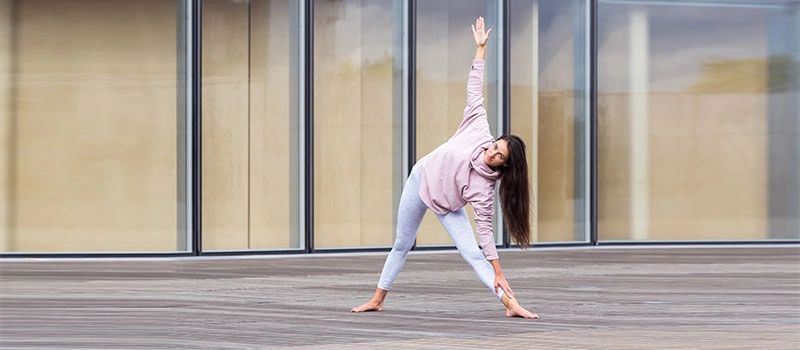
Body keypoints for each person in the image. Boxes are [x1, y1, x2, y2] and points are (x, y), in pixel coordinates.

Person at [350, 17, 538, 319]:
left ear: (505, 166)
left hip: (447, 207)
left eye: (499, 156)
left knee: (472, 253)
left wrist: (498, 271)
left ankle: (510, 304)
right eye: (495, 147)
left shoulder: (483, 189)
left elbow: (485, 232)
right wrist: (480, 50)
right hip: (420, 180)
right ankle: (377, 298)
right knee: (402, 243)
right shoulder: (478, 128)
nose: (491, 153)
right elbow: (475, 89)